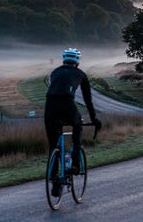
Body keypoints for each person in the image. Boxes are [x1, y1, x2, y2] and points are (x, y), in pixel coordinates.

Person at [44, 48, 101, 196]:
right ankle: (75, 161)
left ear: (63, 60)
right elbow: (88, 100)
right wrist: (94, 119)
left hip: (49, 106)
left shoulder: (55, 72)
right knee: (78, 125)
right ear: (78, 62)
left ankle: (54, 178)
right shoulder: (81, 74)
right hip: (68, 105)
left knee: (53, 144)